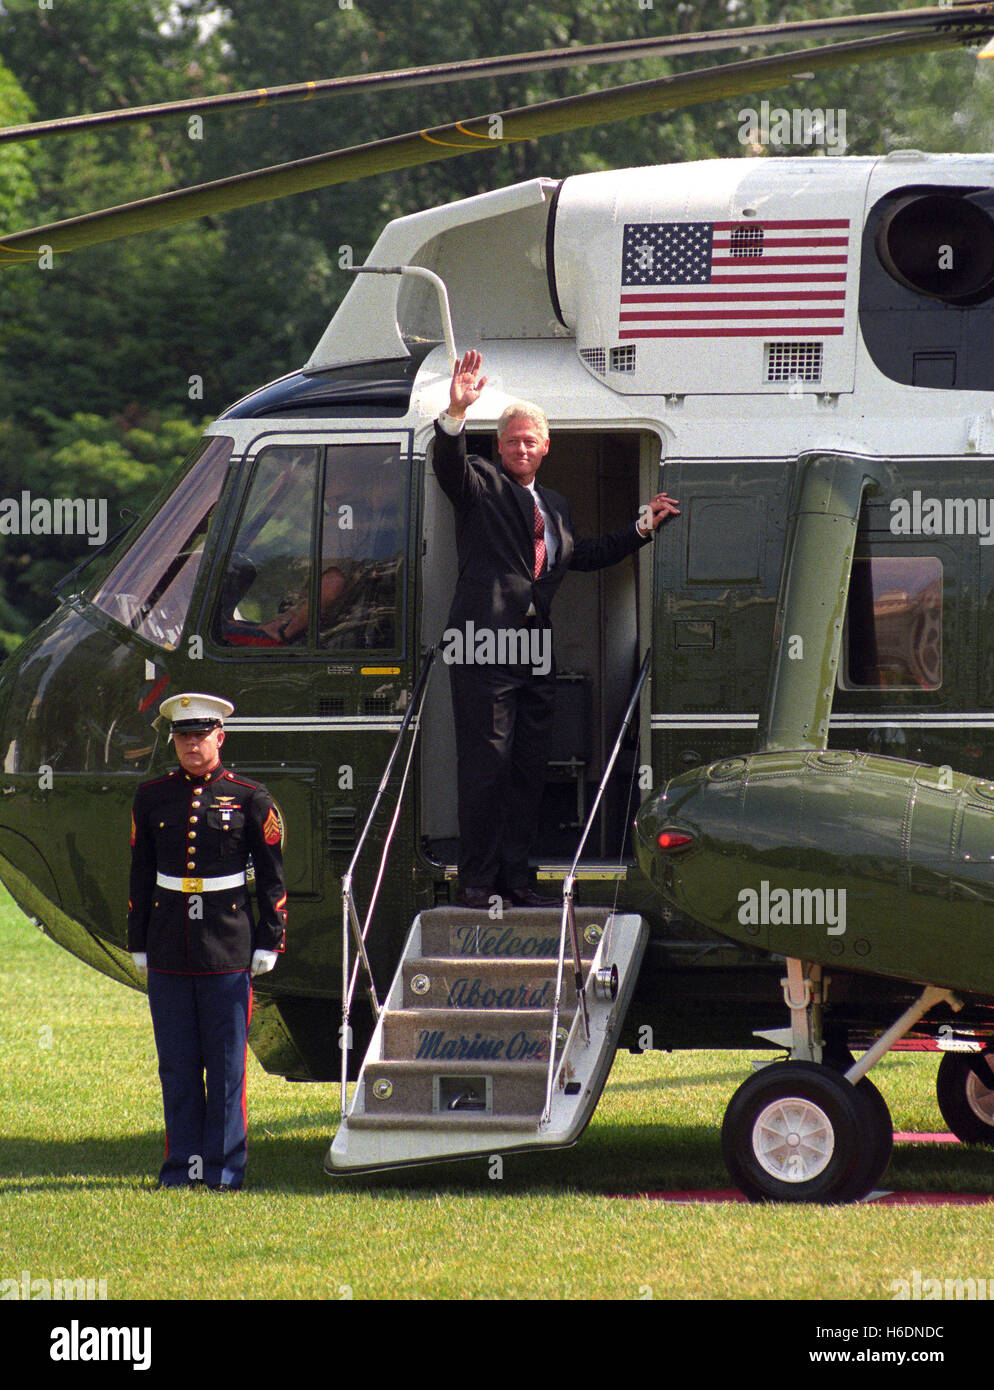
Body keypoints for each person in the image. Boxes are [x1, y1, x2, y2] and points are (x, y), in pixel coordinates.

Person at [434, 349, 679, 910]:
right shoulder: (478, 485)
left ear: (546, 448)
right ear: (498, 447)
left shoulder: (556, 505)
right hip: (480, 646)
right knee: (486, 768)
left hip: (532, 648)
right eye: (512, 440)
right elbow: (446, 462)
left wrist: (641, 527)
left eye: (530, 441)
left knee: (528, 768)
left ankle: (517, 879)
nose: (520, 448)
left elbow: (580, 555)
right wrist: (455, 411)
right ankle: (477, 881)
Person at [128, 692, 287, 1190]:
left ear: (220, 736)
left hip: (227, 945)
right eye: (182, 736)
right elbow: (140, 874)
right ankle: (181, 1170)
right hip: (170, 945)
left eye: (200, 735)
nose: (191, 744)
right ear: (173, 740)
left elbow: (272, 879)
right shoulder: (151, 796)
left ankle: (222, 1171)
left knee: (224, 1069)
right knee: (176, 1066)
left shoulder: (249, 797)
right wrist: (139, 941)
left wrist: (270, 940)